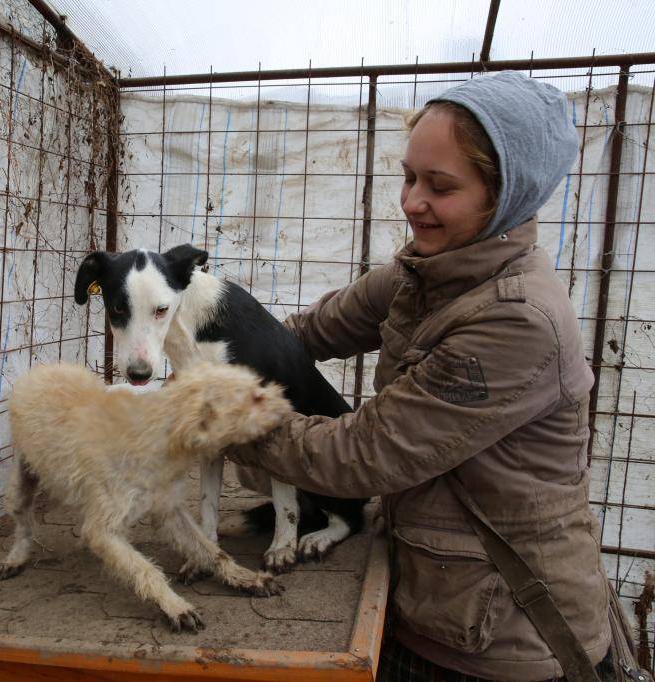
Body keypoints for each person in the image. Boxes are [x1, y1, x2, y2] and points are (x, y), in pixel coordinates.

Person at [226, 71, 615, 681]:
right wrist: (211, 341)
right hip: (429, 592)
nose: (411, 201)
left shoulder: (517, 319)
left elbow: (364, 454)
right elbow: (303, 334)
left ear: (505, 195)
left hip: (497, 640)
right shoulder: (422, 272)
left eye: (440, 186)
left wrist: (220, 421)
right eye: (408, 176)